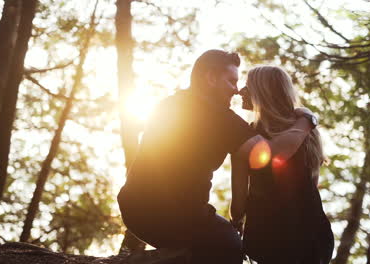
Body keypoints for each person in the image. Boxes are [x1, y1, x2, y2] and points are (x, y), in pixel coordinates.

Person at [117, 50, 318, 264]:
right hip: (179, 215)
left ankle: (174, 253)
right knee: (231, 248)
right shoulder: (223, 120)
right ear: (211, 78)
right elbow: (274, 154)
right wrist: (307, 120)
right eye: (231, 81)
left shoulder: (168, 104)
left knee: (206, 245)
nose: (236, 90)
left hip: (133, 209)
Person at [232, 65, 334, 264]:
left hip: (269, 238)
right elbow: (313, 182)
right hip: (312, 234)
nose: (240, 92)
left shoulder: (247, 137)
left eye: (248, 87)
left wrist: (236, 222)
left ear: (263, 93)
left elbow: (238, 203)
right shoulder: (307, 131)